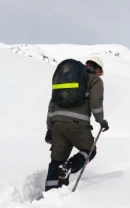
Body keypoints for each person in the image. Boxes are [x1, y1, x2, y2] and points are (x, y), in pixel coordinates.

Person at [44, 56, 109, 191]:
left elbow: (52, 104)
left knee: (56, 160)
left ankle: (49, 195)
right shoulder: (94, 80)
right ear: (97, 69)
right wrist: (101, 120)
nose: (99, 74)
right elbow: (96, 103)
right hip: (76, 124)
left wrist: (50, 127)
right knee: (90, 150)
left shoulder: (67, 77)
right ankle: (68, 167)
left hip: (56, 124)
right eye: (100, 72)